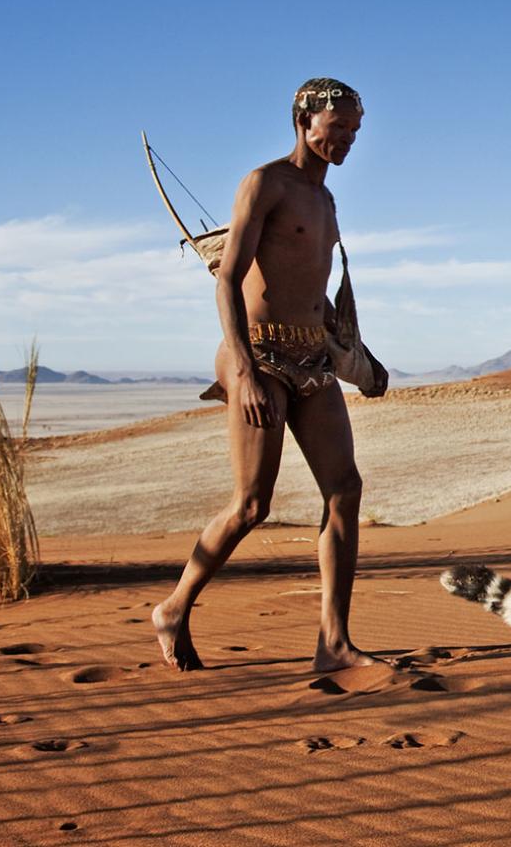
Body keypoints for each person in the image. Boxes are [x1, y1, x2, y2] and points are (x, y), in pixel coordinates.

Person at [153, 77, 378, 673]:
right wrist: (245, 373)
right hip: (262, 356)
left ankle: (333, 643)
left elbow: (314, 292)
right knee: (253, 505)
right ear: (304, 123)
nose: (349, 140)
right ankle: (174, 607)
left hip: (313, 358)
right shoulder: (265, 184)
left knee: (345, 491)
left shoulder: (326, 202)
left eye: (356, 130)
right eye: (339, 129)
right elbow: (228, 280)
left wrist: (357, 355)